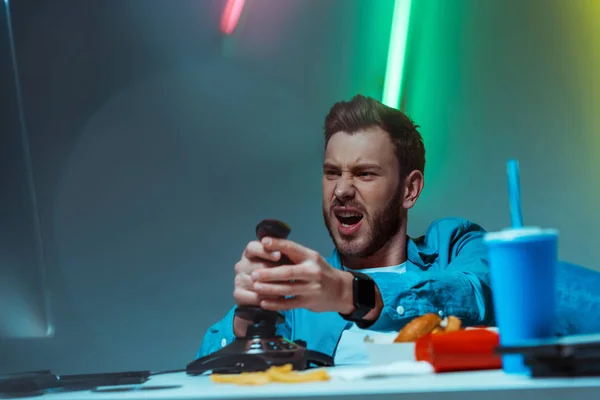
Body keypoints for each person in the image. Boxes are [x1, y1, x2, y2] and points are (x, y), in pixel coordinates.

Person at [196, 94, 495, 365]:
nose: (341, 190)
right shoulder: (295, 299)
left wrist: (351, 293)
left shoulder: (454, 245)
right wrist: (248, 319)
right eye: (332, 173)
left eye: (364, 173)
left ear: (410, 189)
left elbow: (486, 294)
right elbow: (204, 376)